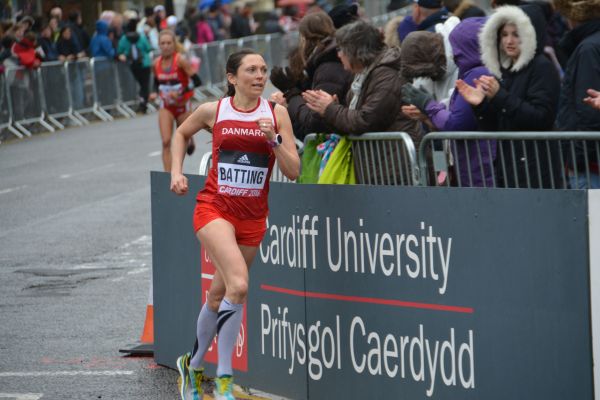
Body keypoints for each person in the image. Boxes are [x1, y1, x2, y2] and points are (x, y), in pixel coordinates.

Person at [170, 48, 300, 400]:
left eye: (263, 70)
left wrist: (273, 138)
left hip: (252, 217)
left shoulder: (277, 114)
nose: (260, 76)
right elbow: (181, 134)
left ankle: (192, 366)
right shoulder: (215, 110)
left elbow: (293, 170)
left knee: (218, 293)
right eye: (251, 70)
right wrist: (176, 172)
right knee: (239, 285)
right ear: (232, 78)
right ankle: (224, 377)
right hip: (214, 209)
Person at [456, 4, 563, 188]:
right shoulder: (506, 71)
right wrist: (480, 106)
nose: (509, 41)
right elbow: (495, 128)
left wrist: (499, 96)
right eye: (504, 34)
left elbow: (541, 117)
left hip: (536, 169)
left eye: (516, 34)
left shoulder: (542, 67)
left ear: (530, 35)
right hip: (511, 167)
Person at [302, 20, 420, 183]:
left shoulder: (386, 75)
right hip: (378, 166)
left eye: (341, 49)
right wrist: (328, 110)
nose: (339, 54)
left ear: (355, 52)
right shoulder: (364, 74)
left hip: (392, 169)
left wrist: (331, 109)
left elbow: (366, 120)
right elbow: (353, 122)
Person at [401, 18, 496, 187]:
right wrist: (425, 115)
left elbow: (456, 123)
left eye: (458, 50)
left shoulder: (477, 74)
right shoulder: (471, 72)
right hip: (467, 164)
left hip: (480, 168)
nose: (455, 55)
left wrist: (428, 104)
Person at [269, 11, 352, 140]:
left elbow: (313, 123)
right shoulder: (322, 63)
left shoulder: (329, 66)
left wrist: (290, 92)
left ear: (304, 37)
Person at [554, 0, 600, 188]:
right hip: (590, 160)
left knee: (590, 217)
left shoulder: (588, 49)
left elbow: (588, 109)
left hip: (589, 165)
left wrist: (576, 159)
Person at [150, 29, 200, 171]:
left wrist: (180, 93)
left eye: (168, 43)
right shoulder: (155, 63)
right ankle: (168, 176)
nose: (165, 46)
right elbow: (156, 82)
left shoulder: (180, 60)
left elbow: (196, 81)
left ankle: (190, 140)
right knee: (166, 141)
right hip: (166, 106)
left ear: (173, 44)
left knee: (183, 140)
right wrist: (154, 93)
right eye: (162, 43)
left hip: (182, 105)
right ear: (159, 45)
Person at [118, 18, 153, 113]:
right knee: (144, 85)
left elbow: (120, 50)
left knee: (140, 84)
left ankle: (142, 102)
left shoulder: (124, 38)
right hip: (145, 63)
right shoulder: (141, 37)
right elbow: (148, 48)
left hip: (133, 64)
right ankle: (143, 102)